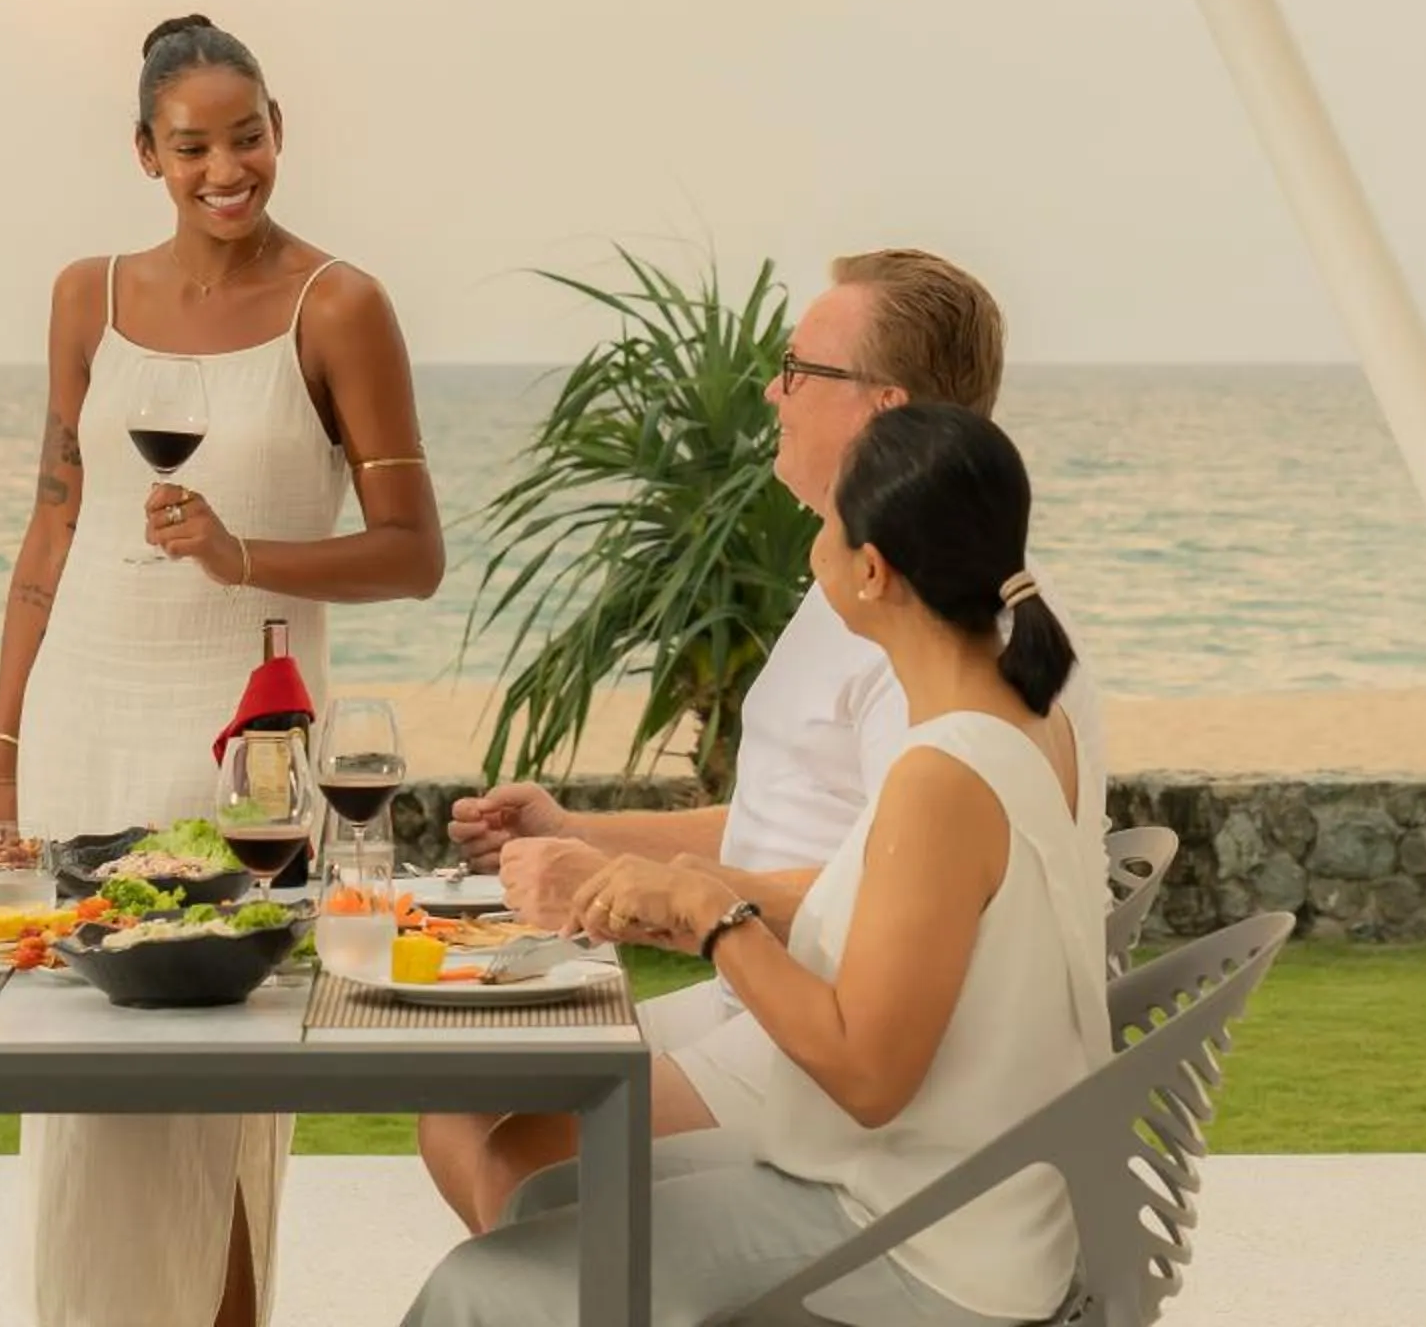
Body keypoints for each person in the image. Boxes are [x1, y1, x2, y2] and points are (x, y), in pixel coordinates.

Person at [425, 251, 1106, 1230]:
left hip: (857, 1032)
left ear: (884, 407)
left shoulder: (938, 640)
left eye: (799, 368)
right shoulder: (869, 591)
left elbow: (911, 888)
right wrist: (594, 834)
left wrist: (684, 902)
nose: (772, 389)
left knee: (520, 1159)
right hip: (792, 988)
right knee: (462, 1099)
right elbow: (803, 826)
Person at [0, 16, 447, 1327]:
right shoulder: (87, 297)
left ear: (280, 130)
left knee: (220, 1109)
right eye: (193, 147)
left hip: (242, 743)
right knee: (84, 1109)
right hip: (84, 720)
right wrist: (0, 758)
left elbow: (415, 554)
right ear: (146, 152)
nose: (226, 169)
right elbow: (52, 526)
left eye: (248, 138)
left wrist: (243, 559)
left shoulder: (338, 306)